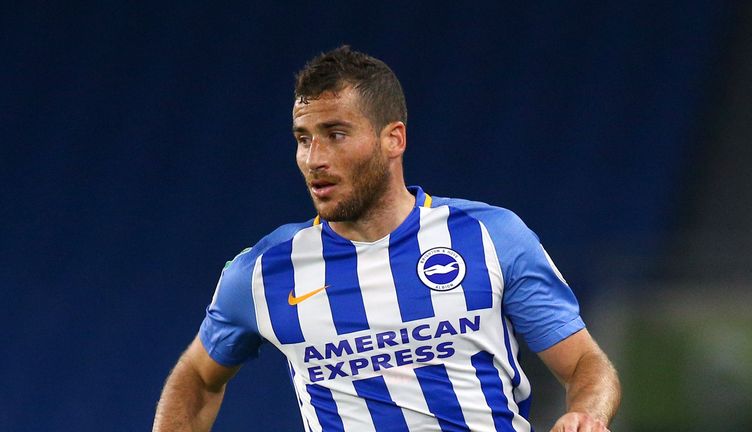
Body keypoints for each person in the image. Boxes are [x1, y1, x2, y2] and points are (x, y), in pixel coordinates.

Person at [153, 46, 621, 432]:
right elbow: (197, 377)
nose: (314, 158)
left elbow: (585, 364)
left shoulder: (491, 236)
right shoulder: (261, 273)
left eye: (335, 134)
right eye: (303, 137)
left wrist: (587, 414)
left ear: (393, 138)